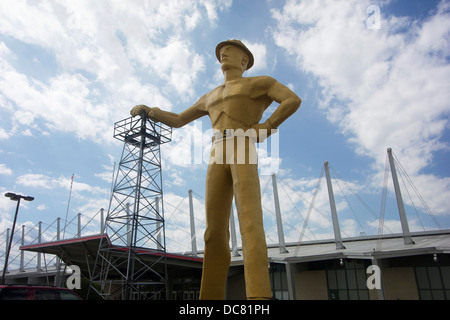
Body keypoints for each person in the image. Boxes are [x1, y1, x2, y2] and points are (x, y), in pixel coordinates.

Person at [131, 40, 301, 299]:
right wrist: (151, 111)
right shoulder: (209, 96)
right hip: (217, 151)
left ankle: (259, 297)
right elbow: (178, 119)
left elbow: (291, 100)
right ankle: (208, 299)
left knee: (250, 221)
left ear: (244, 60)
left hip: (243, 144)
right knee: (213, 231)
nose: (224, 51)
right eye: (222, 50)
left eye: (231, 49)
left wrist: (267, 127)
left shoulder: (258, 83)